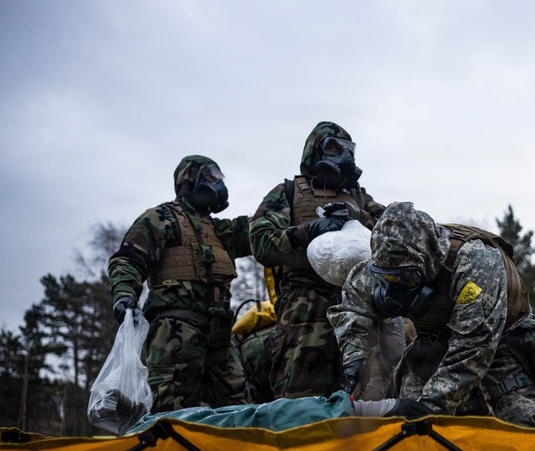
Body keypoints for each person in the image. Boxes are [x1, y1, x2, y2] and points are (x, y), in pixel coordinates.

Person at [327, 202, 535, 428]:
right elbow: (353, 304)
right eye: (386, 278)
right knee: (404, 425)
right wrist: (355, 357)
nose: (394, 288)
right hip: (433, 342)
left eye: (406, 279)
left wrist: (431, 407)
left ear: (429, 260)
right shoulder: (387, 261)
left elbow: (473, 347)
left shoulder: (476, 263)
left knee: (523, 426)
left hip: (502, 342)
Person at [249, 121, 387, 399]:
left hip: (358, 304)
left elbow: (393, 230)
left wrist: (358, 216)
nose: (344, 156)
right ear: (315, 151)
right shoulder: (288, 192)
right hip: (304, 308)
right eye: (335, 148)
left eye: (348, 150)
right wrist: (308, 231)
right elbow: (261, 242)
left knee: (366, 398)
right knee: (301, 396)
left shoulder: (358, 196)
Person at [108, 155, 251, 412]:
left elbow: (260, 231)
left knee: (238, 408)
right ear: (190, 179)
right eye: (211, 177)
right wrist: (125, 294)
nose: (218, 184)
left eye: (220, 179)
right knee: (173, 411)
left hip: (219, 334)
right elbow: (128, 259)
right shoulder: (162, 218)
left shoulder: (220, 231)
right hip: (176, 332)